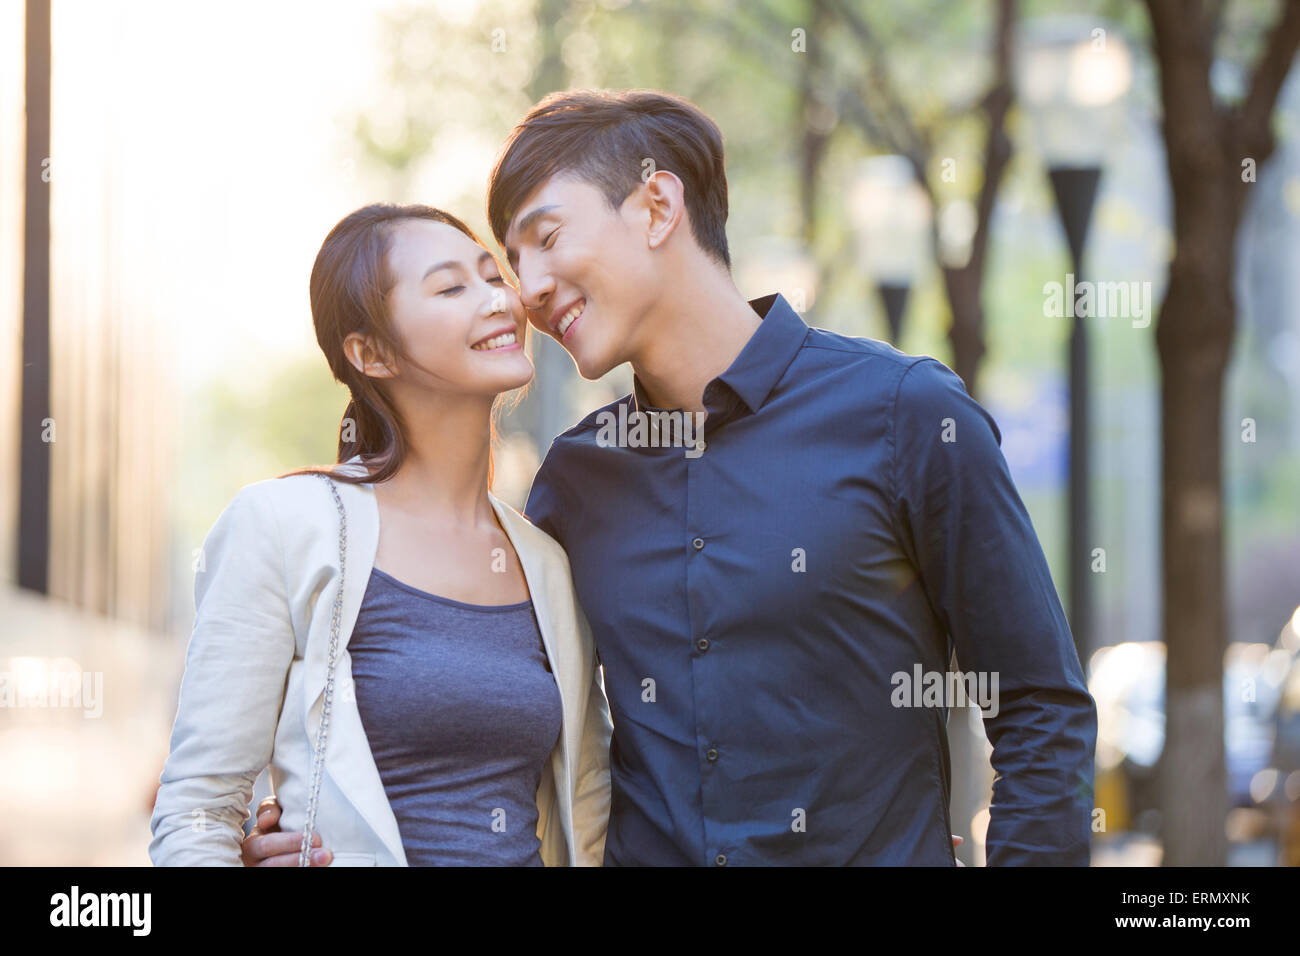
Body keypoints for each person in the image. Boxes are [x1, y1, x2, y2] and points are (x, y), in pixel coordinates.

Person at [250, 88, 1097, 866]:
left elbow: (1038, 710)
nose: (528, 293)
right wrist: (308, 827)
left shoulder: (905, 416)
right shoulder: (575, 484)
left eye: (546, 239)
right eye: (513, 259)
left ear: (657, 205)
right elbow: (486, 727)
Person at [149, 203, 612, 866]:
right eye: (452, 288)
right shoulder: (283, 526)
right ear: (370, 352)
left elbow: (588, 805)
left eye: (493, 277)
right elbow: (199, 807)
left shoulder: (547, 559)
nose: (498, 301)